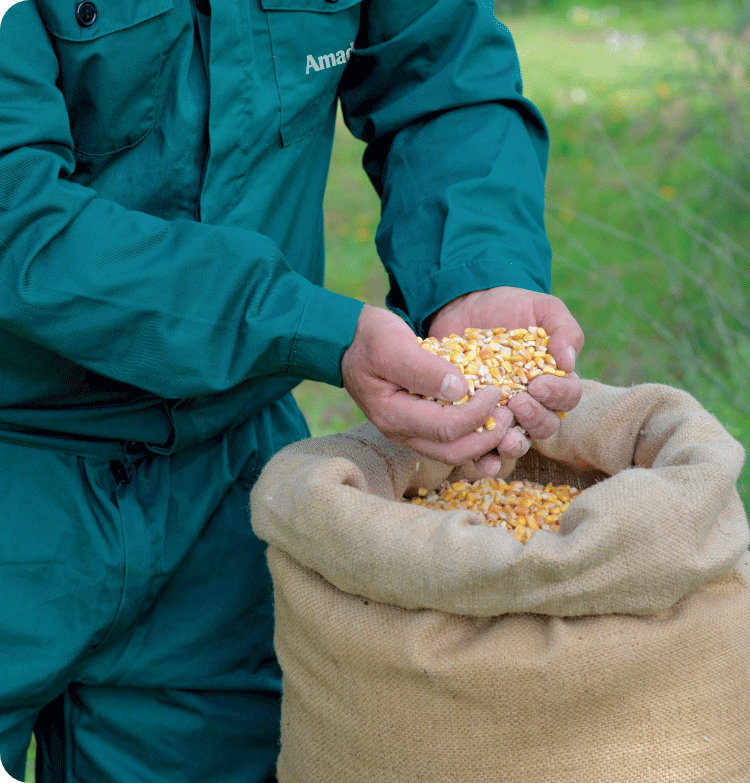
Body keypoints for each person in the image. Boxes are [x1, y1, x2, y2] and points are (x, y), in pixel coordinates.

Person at [0, 0, 583, 779]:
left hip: (226, 484)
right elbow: (16, 217)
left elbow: (441, 76)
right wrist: (306, 326)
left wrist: (474, 274)